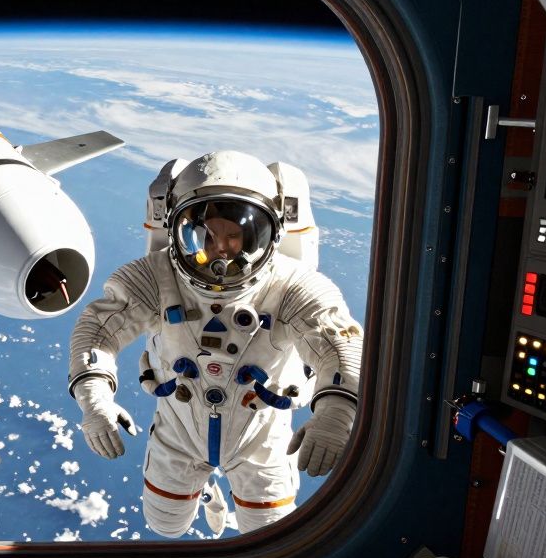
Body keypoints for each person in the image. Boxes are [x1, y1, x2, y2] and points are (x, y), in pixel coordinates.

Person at [67, 150, 363, 537]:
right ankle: (204, 493)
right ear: (183, 230)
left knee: (268, 537)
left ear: (261, 235)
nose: (219, 249)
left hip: (261, 436)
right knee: (165, 525)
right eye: (209, 234)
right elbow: (97, 331)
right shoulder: (157, 277)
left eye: (234, 235)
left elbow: (339, 345)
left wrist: (335, 415)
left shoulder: (292, 285)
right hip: (179, 430)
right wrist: (94, 400)